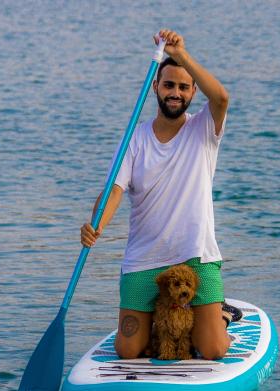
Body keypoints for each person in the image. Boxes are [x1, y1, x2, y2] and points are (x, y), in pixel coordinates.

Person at [80, 29, 233, 360]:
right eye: (168, 85)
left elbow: (221, 97)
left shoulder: (204, 129)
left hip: (196, 255)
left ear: (193, 91)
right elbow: (114, 191)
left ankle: (219, 316)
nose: (175, 93)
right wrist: (96, 225)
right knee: (128, 350)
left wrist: (181, 56)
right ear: (156, 88)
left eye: (183, 86)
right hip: (145, 259)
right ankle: (166, 324)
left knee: (213, 349)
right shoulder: (134, 138)